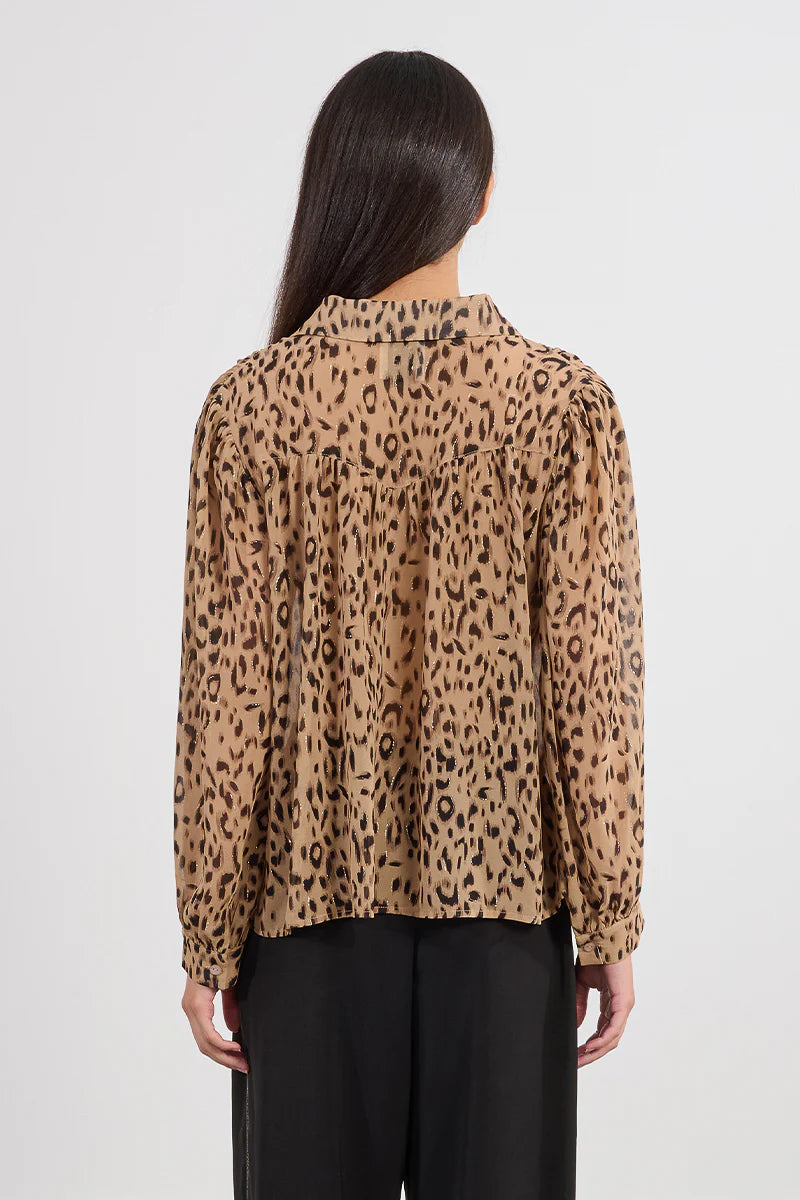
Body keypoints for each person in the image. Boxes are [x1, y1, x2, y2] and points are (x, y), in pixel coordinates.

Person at [172, 48, 645, 1200]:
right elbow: (594, 690)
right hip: (505, 926)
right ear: (478, 197)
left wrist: (206, 937)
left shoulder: (252, 409)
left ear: (335, 189)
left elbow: (224, 701)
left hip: (303, 922)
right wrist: (610, 921)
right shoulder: (561, 407)